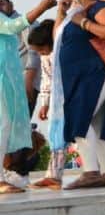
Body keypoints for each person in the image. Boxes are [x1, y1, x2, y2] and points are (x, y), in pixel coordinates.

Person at [47, 0, 105, 189]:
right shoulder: (77, 12)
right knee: (97, 122)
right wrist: (61, 14)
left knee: (80, 119)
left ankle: (91, 171)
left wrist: (83, 23)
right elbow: (58, 39)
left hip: (94, 73)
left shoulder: (100, 8)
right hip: (80, 77)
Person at [0, 0, 56, 194]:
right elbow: (15, 26)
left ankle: (5, 175)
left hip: (10, 81)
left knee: (7, 127)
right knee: (4, 126)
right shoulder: (4, 20)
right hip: (4, 81)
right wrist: (43, 6)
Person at [25, 20, 65, 190]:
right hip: (57, 103)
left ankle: (96, 171)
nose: (41, 53)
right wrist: (45, 104)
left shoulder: (62, 52)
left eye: (41, 49)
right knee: (57, 136)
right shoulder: (46, 57)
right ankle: (53, 175)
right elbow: (47, 81)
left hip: (70, 100)